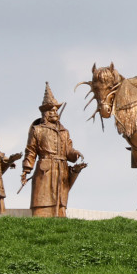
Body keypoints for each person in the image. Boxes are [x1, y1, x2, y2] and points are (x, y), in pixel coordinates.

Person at [21, 84, 85, 217]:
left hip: (61, 169)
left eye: (56, 110)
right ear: (45, 113)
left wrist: (75, 153)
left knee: (60, 201)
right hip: (45, 169)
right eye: (51, 111)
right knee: (42, 199)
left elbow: (68, 150)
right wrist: (26, 170)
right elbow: (31, 151)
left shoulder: (64, 132)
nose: (54, 113)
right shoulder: (37, 130)